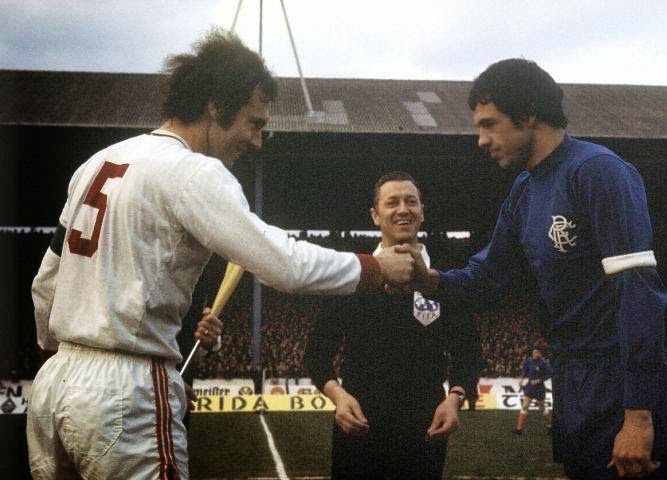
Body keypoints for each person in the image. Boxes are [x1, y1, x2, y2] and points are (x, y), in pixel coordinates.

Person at [26, 30, 414, 480]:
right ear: (215, 106)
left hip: (54, 386)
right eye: (254, 123)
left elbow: (45, 283)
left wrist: (63, 363)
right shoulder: (193, 171)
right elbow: (281, 263)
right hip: (125, 389)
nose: (257, 141)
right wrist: (373, 267)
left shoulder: (96, 163)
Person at [404, 59, 667, 479]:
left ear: (529, 113)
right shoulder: (524, 190)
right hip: (573, 384)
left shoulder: (598, 172)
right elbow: (488, 279)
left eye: (489, 124)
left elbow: (639, 291)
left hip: (620, 388)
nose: (481, 140)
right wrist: (430, 280)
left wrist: (638, 415)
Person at [305, 172, 479, 479]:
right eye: (392, 202)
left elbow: (468, 351)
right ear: (375, 215)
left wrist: (455, 399)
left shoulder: (445, 281)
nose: (403, 209)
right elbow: (317, 354)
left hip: (425, 429)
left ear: (422, 211)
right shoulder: (352, 277)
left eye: (411, 201)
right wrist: (339, 397)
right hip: (359, 427)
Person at [513, 347, 552, 435]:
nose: (536, 354)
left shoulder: (544, 363)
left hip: (539, 388)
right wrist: (521, 377)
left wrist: (539, 380)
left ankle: (550, 426)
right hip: (530, 387)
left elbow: (549, 374)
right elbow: (525, 370)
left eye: (538, 352)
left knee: (542, 408)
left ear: (540, 354)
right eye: (535, 352)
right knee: (525, 406)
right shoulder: (529, 360)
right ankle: (519, 429)